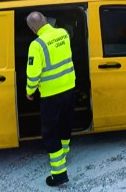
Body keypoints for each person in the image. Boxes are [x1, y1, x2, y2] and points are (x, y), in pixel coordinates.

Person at [25, 11, 76, 187]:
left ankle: (59, 174)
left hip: (50, 96)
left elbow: (33, 75)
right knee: (65, 124)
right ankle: (64, 154)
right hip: (69, 88)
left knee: (50, 133)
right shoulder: (63, 33)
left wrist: (29, 91)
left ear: (32, 29)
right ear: (46, 20)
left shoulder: (36, 45)